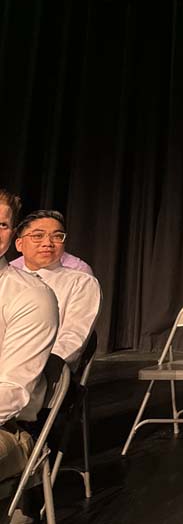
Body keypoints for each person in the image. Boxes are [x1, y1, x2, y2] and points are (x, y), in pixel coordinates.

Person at [0, 196, 58, 482]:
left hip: (7, 428)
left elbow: (12, 391)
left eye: (1, 224)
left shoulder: (30, 295)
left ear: (12, 234)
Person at [13, 211, 101, 368]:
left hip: (46, 371)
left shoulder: (81, 282)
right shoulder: (8, 281)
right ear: (19, 244)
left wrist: (33, 367)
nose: (48, 243)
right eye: (38, 236)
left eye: (57, 236)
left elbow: (72, 338)